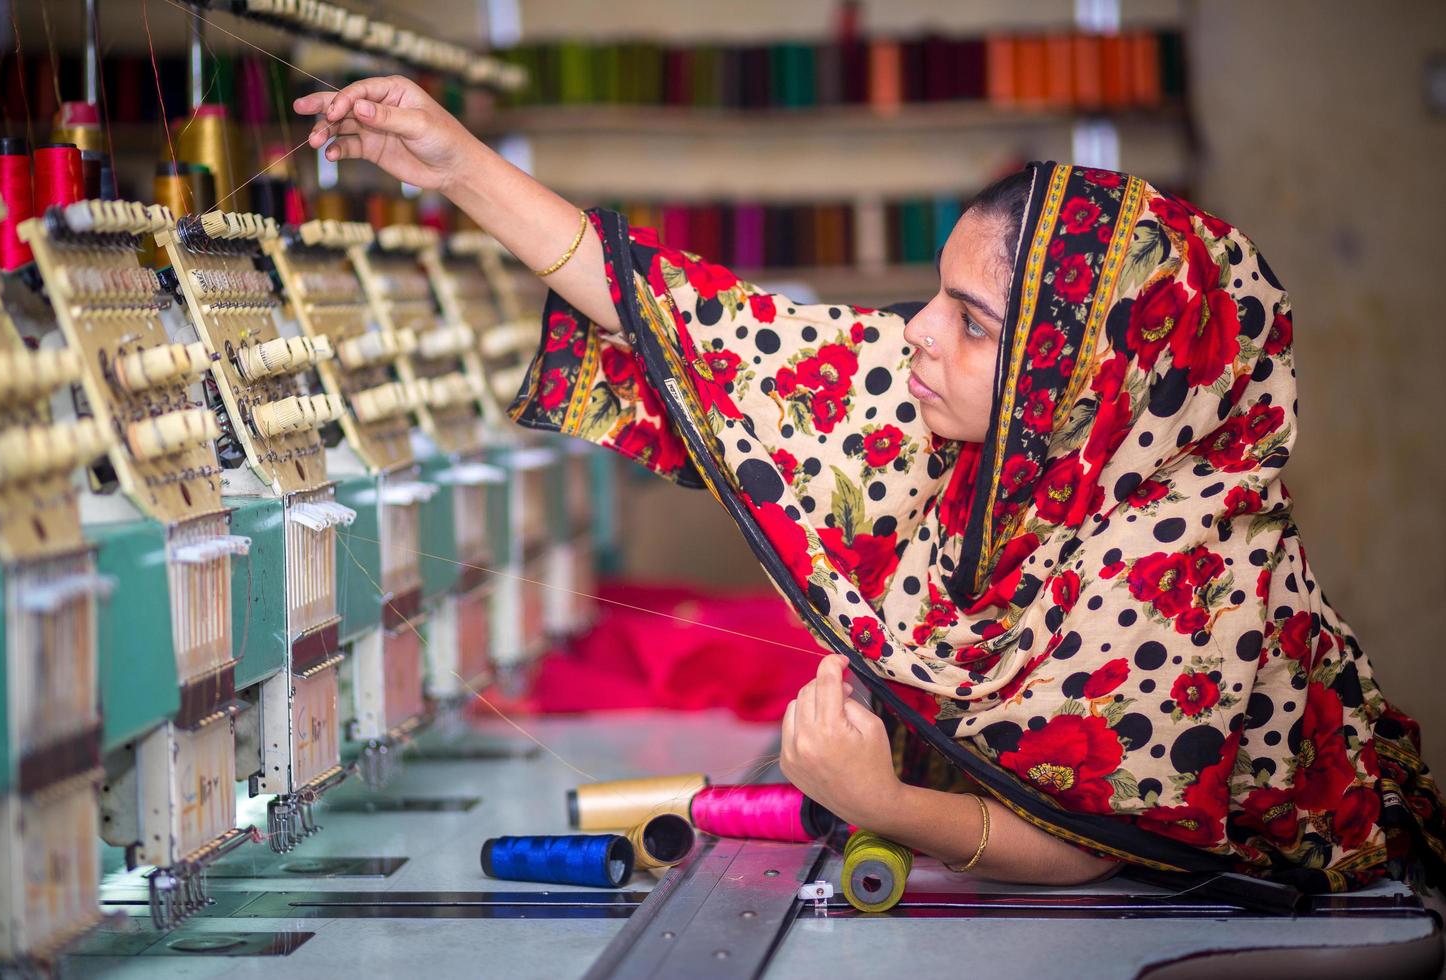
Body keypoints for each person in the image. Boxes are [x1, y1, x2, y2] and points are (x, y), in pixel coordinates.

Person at [295, 77, 1445, 892]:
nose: (917, 340)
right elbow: (715, 332)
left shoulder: (1194, 563)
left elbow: (1106, 838)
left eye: (970, 323)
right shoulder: (979, 430)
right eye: (933, 298)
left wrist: (884, 801)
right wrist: (457, 164)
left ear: (1086, 381)